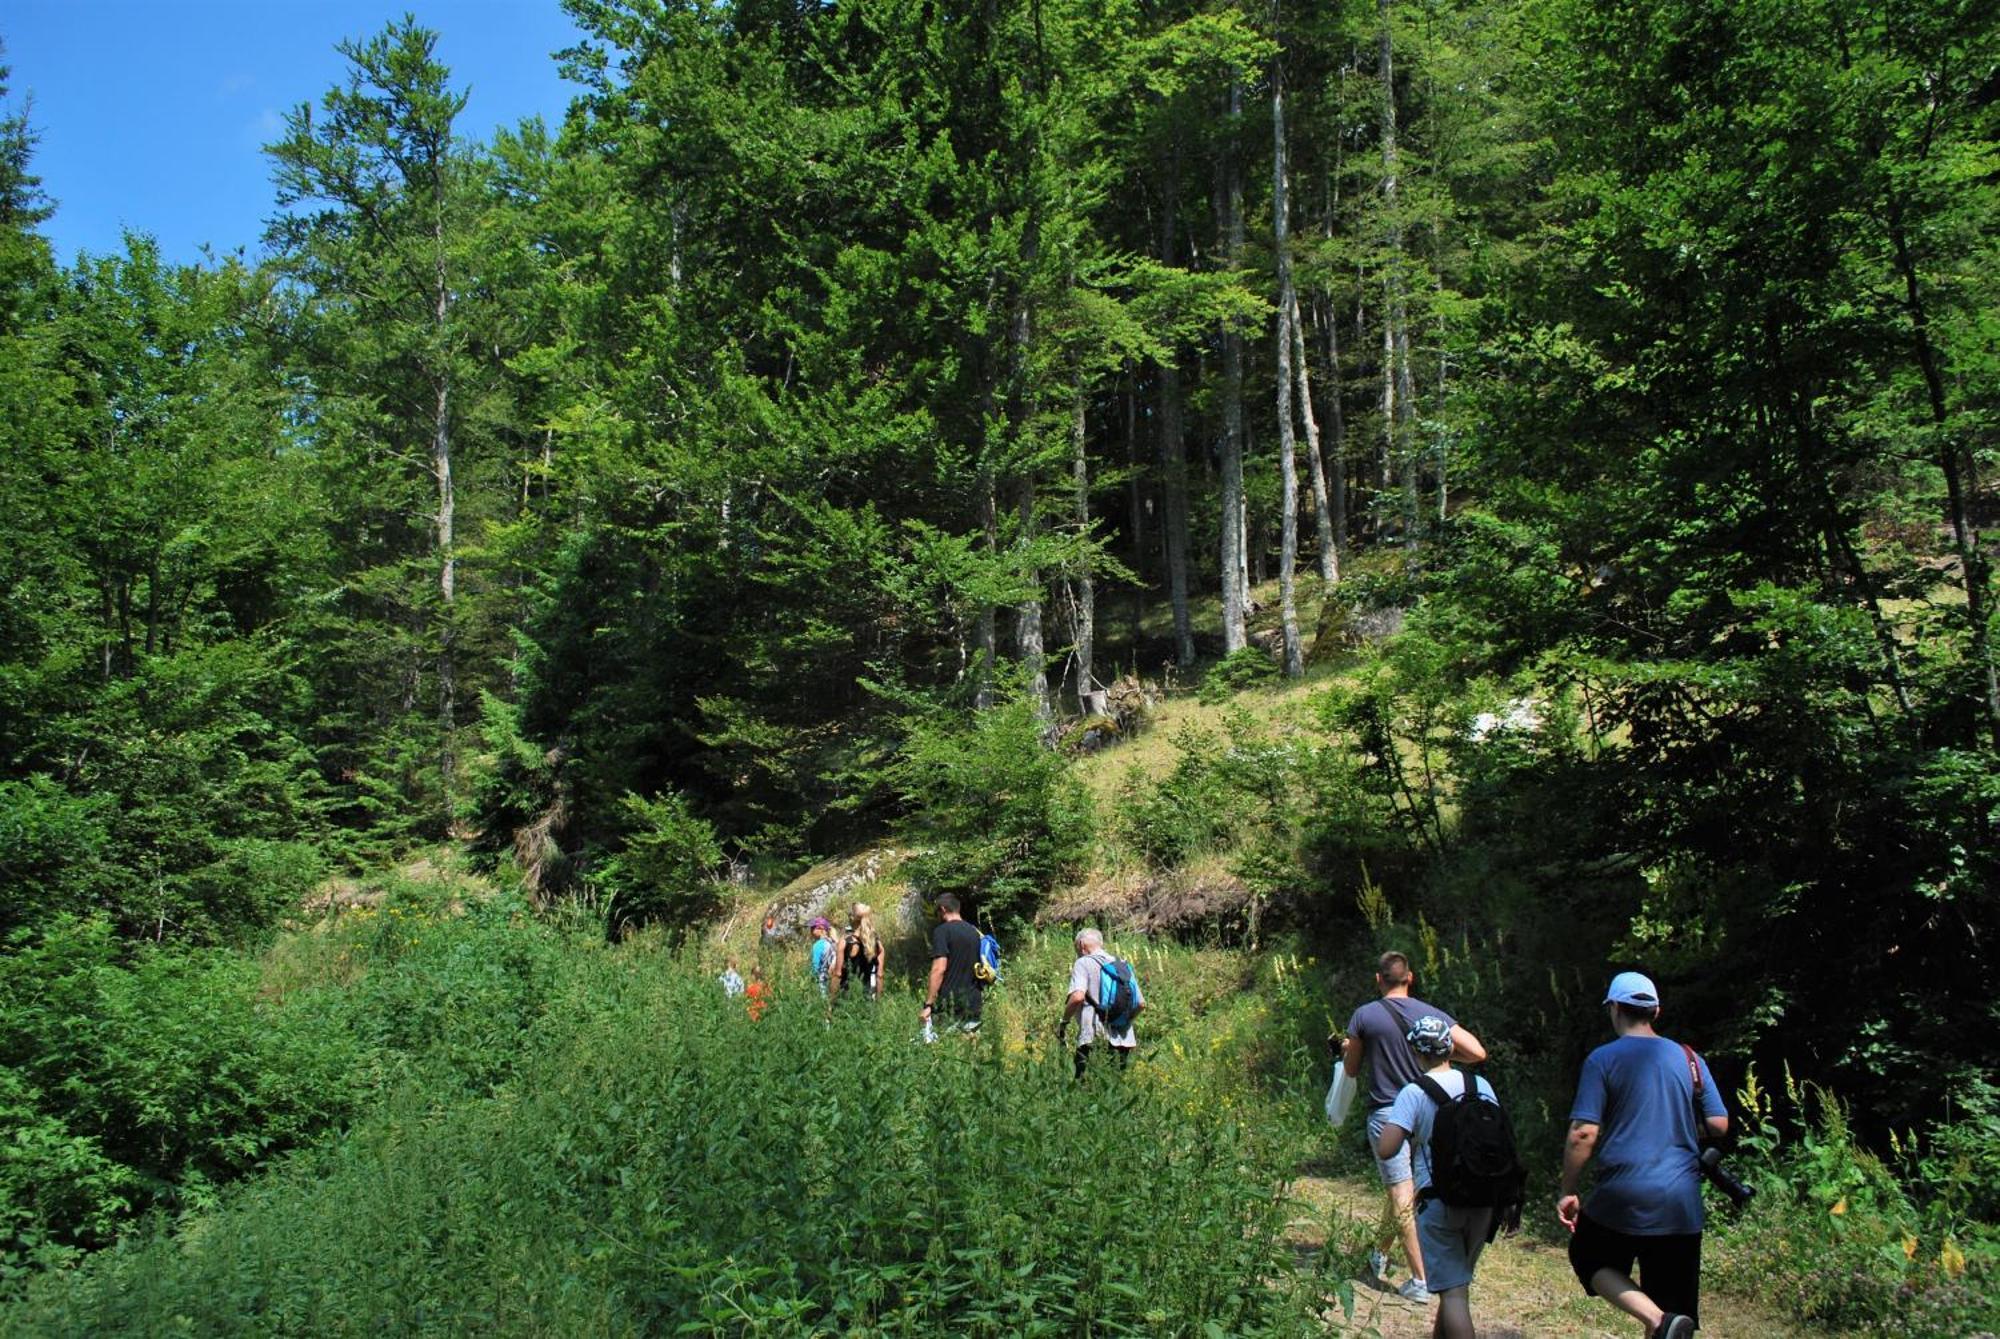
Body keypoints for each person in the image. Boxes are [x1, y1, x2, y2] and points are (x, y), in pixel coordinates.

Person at [1557, 971, 1728, 1339]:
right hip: (1681, 1201)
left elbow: (1583, 1133)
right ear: (1656, 1011)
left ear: (1615, 1008)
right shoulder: (1689, 1058)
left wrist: (1568, 1189)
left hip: (1623, 1195)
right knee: (1672, 1310)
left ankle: (1656, 1320)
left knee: (1588, 1256)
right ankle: (1663, 1321)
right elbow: (1718, 1123)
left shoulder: (1602, 1060)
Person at [1341, 950, 1487, 1303]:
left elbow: (1352, 1070)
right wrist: (1445, 1056)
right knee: (1404, 1188)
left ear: (1379, 979)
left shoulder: (1365, 1016)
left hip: (1388, 1113)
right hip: (1428, 1107)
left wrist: (1348, 1049)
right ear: (1411, 978)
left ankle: (1421, 1279)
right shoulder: (1431, 1014)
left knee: (1401, 1191)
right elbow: (1478, 1053)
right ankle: (1379, 1252)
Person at [1375, 1016, 1501, 1339]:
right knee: (1456, 1284)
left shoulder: (1414, 1092)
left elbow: (1387, 1148)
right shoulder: (1480, 1085)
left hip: (1439, 1201)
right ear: (1451, 1048)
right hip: (1485, 1200)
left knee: (1454, 1294)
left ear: (1417, 1053)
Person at [1062, 928, 1143, 1078]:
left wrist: (1064, 1021)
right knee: (1115, 1087)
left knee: (1084, 1088)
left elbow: (1078, 997)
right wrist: (1122, 1020)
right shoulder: (1123, 965)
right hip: (1124, 1040)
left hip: (1094, 1036)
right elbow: (1141, 1004)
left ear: (1081, 945)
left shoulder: (1083, 963)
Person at [920, 893, 984, 1040]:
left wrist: (928, 1004)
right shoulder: (974, 932)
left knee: (948, 1052)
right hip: (974, 1001)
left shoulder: (942, 931)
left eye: (937, 912)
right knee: (970, 1054)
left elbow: (939, 969)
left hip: (951, 1004)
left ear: (943, 909)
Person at [829, 902, 885, 1002]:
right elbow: (879, 976)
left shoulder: (845, 942)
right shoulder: (877, 944)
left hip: (846, 998)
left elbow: (837, 975)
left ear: (851, 918)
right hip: (867, 997)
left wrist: (830, 1003)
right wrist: (878, 1001)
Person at [808, 917, 835, 994]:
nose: (810, 930)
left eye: (813, 928)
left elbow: (815, 966)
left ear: (821, 929)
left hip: (822, 980)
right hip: (832, 979)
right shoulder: (832, 942)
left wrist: (811, 981)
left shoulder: (818, 945)